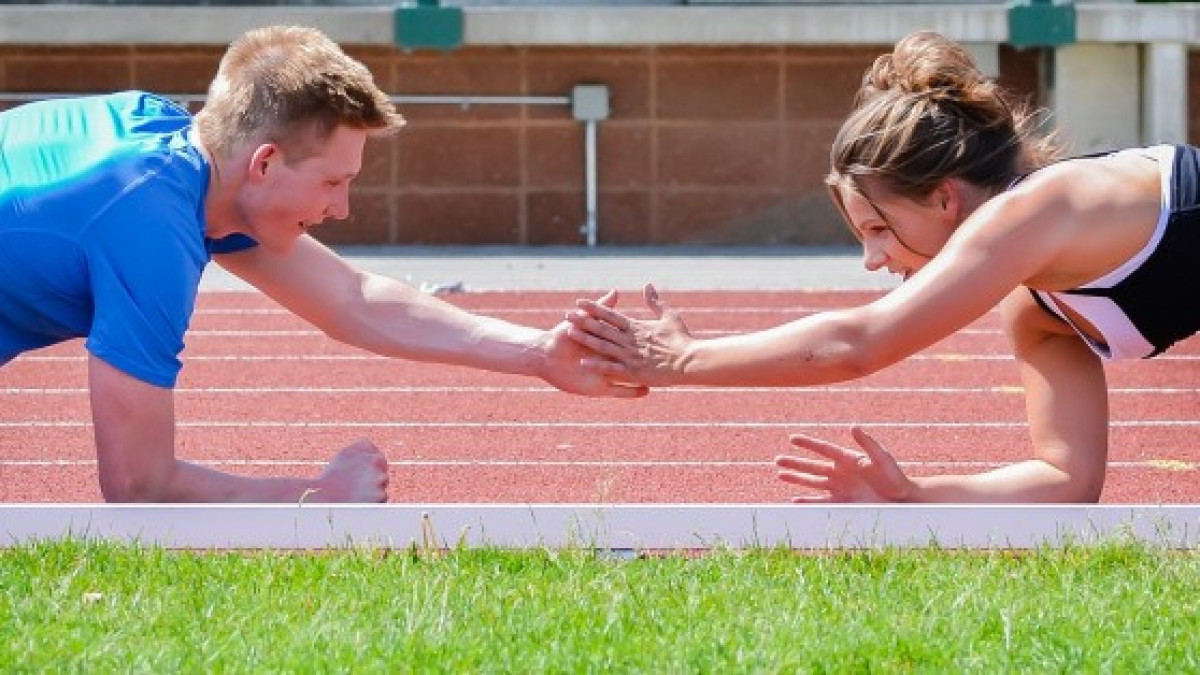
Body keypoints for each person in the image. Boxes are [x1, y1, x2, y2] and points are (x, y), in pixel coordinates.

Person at [0, 25, 644, 503]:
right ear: (266, 163)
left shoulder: (178, 153)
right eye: (334, 183)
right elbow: (138, 484)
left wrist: (538, 352)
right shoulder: (148, 224)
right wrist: (316, 500)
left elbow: (353, 299)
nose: (341, 208)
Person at [565, 31, 1200, 503]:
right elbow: (1068, 482)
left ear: (946, 198)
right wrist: (911, 497)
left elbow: (857, 344)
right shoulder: (1036, 310)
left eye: (877, 229)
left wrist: (684, 361)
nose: (873, 260)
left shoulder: (1035, 208)